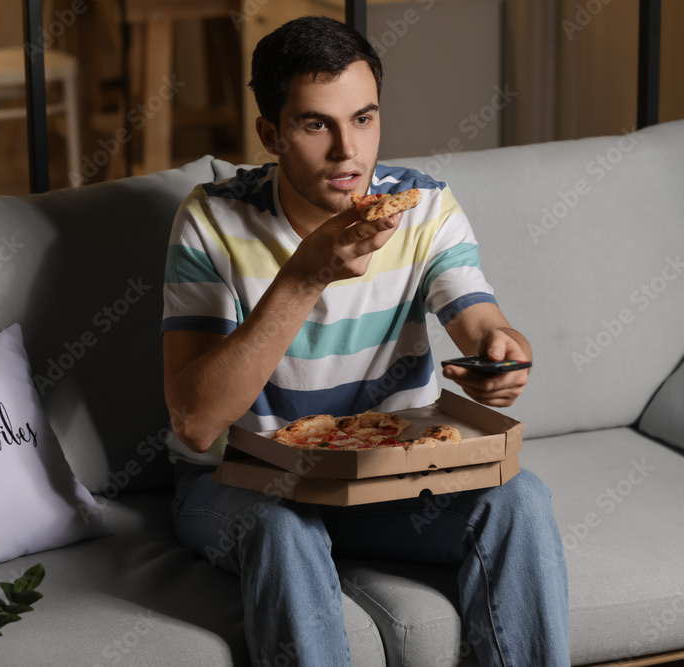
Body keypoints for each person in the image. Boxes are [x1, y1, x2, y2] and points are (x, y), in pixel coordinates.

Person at [160, 15, 570, 667]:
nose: (348, 152)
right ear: (272, 133)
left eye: (364, 118)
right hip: (246, 483)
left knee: (521, 495)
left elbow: (479, 318)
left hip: (389, 479)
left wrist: (502, 352)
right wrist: (306, 273)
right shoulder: (210, 218)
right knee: (280, 522)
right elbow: (195, 423)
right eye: (315, 123)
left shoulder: (422, 207)